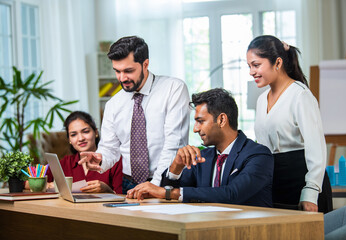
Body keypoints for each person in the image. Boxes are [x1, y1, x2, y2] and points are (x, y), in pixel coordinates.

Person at [126, 88, 274, 207]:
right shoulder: (205, 156)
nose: (195, 129)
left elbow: (231, 194)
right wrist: (176, 167)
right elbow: (170, 194)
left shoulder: (258, 155)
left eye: (200, 121)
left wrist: (167, 193)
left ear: (222, 119)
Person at [79, 36, 190, 194]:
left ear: (145, 64)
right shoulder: (113, 104)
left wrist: (156, 185)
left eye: (128, 71)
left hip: (166, 182)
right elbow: (110, 148)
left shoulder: (174, 89)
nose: (122, 78)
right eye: (117, 71)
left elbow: (174, 144)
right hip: (129, 184)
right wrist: (101, 158)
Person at [247, 35, 332, 213]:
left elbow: (316, 148)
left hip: (302, 181)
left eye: (256, 65)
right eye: (249, 66)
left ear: (277, 63)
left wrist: (310, 191)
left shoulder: (300, 95)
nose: (251, 72)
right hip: (275, 183)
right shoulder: (262, 100)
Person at [46, 111, 123, 193]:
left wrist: (108, 190)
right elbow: (33, 180)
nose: (80, 138)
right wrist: (48, 185)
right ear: (69, 140)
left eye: (85, 131)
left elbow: (125, 198)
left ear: (96, 132)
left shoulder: (115, 161)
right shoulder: (64, 163)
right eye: (73, 135)